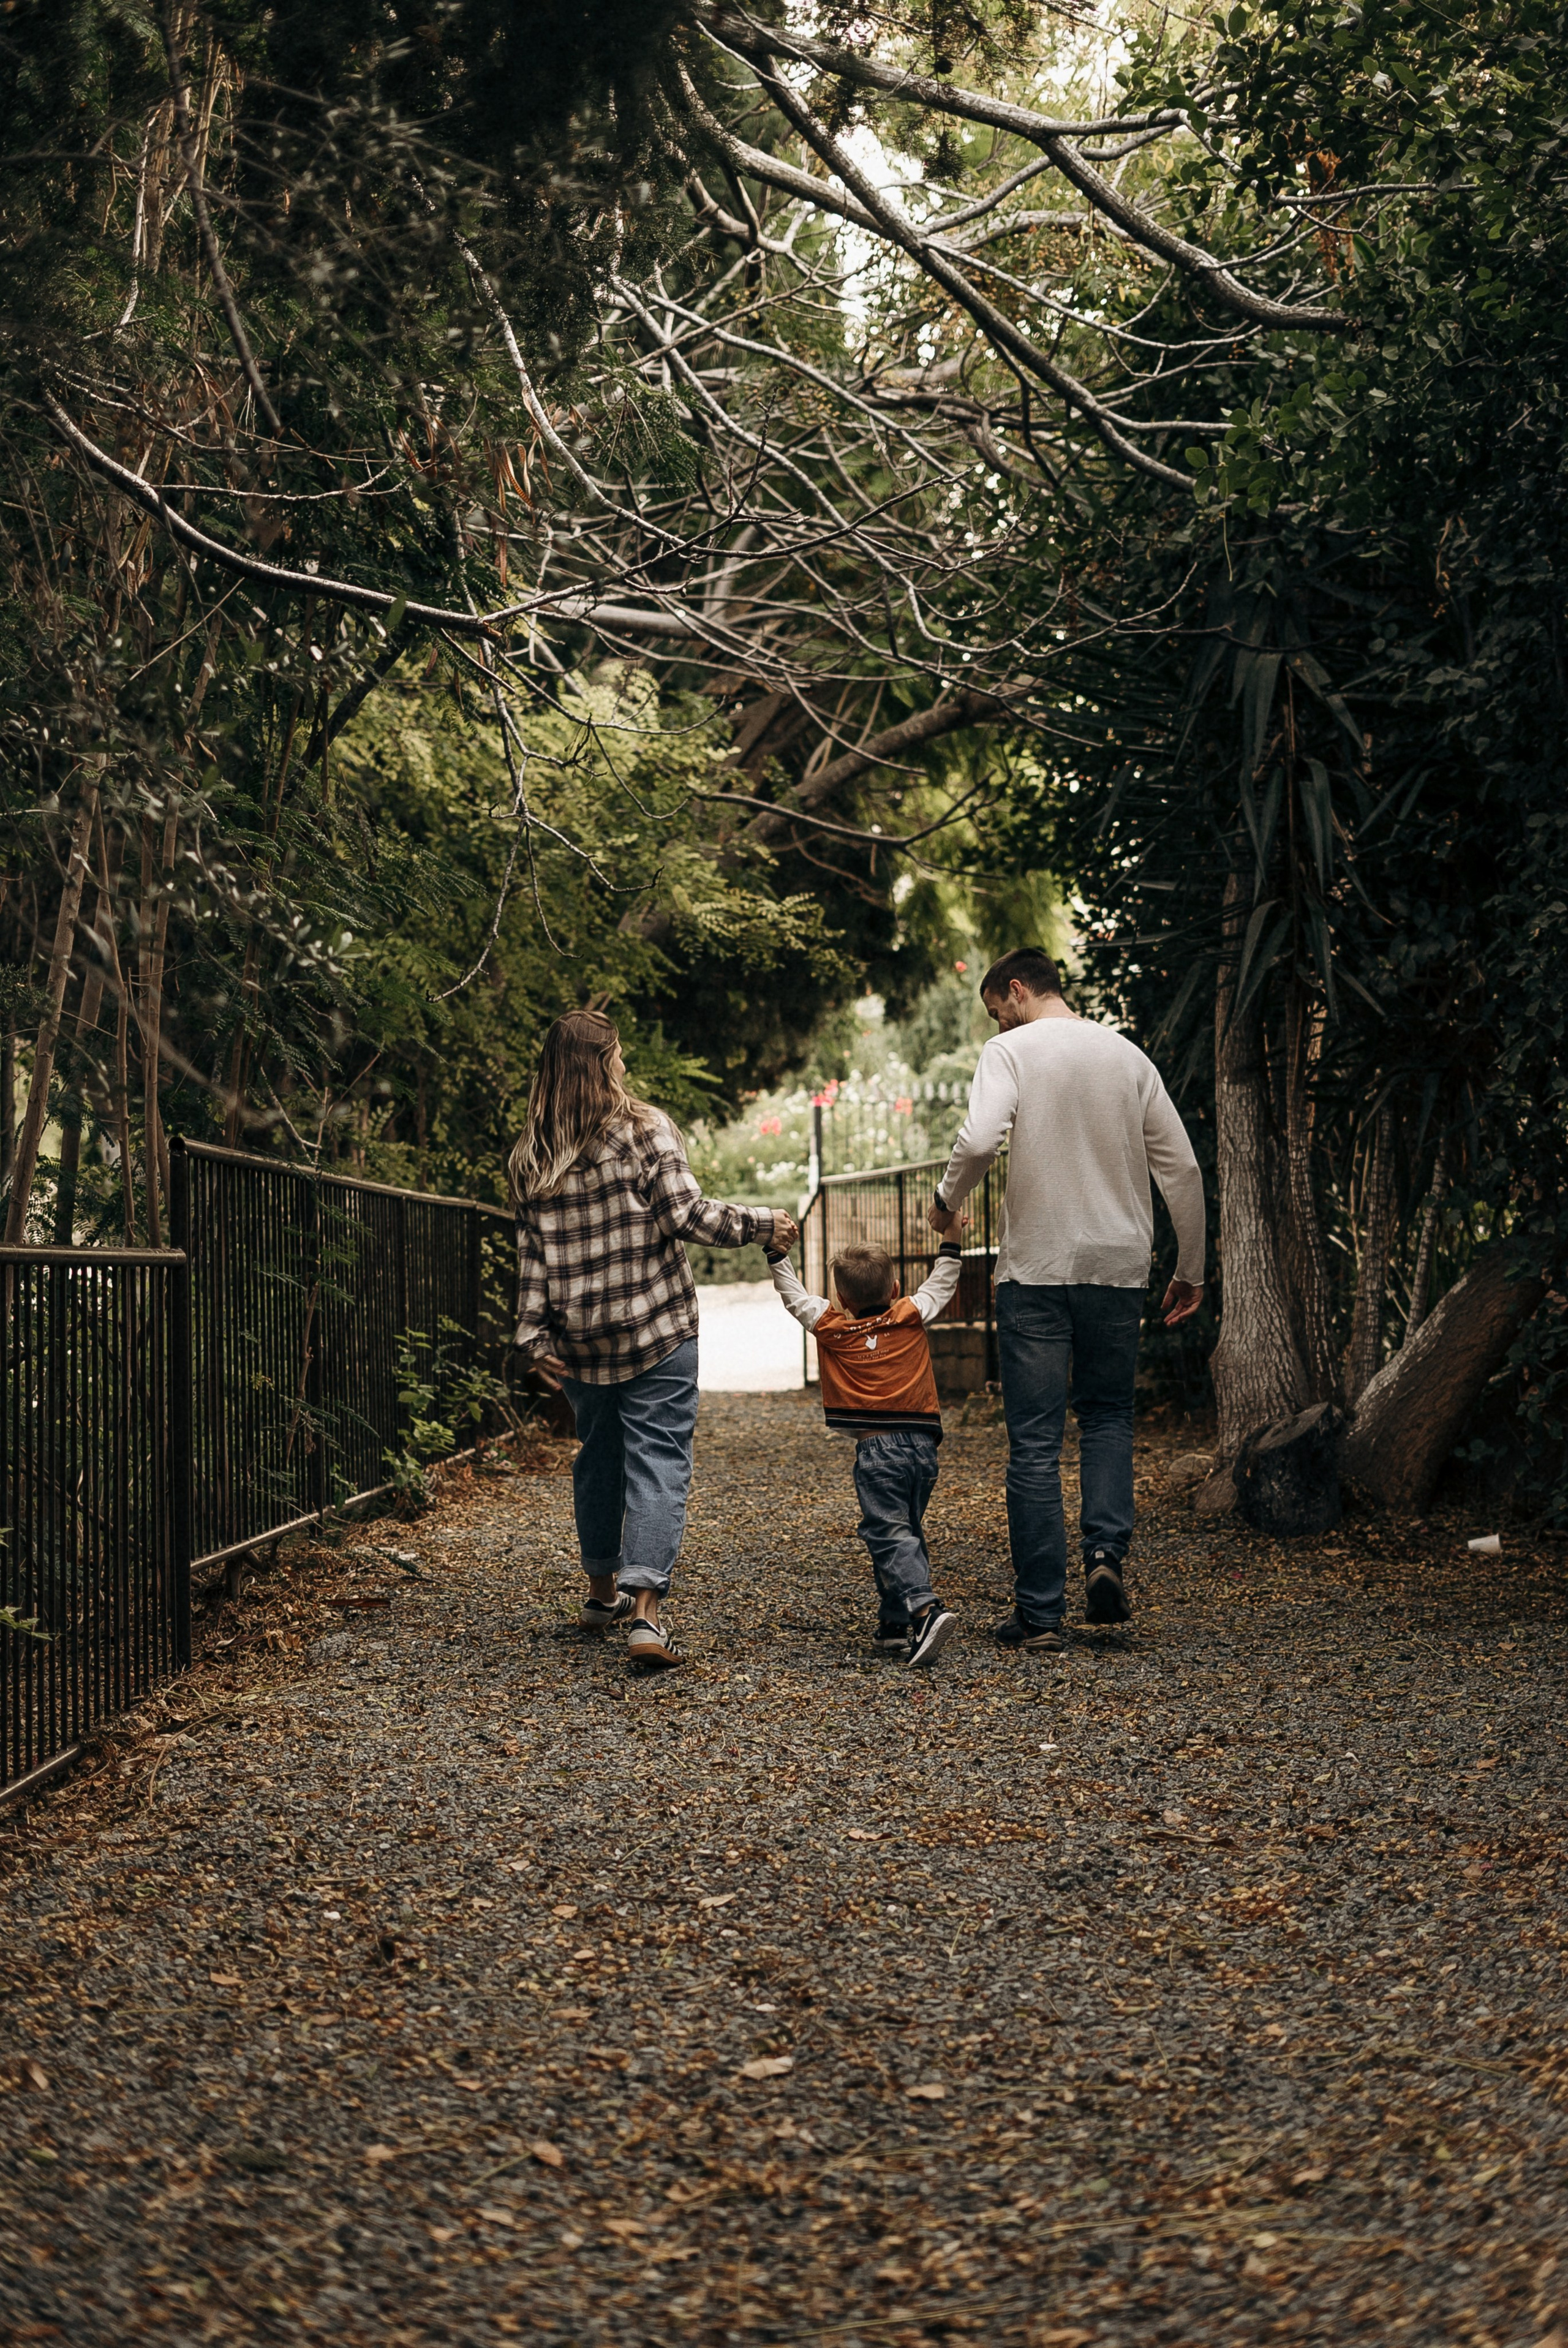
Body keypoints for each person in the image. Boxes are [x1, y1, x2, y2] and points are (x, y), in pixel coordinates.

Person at [930, 946, 1205, 1651]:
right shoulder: (1127, 1056)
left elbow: (982, 1135)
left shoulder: (1011, 1051)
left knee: (1034, 1441)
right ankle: (1105, 1557)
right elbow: (1182, 1167)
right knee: (1109, 1416)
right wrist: (1191, 1268)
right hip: (1117, 1266)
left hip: (1037, 1268)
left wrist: (945, 1200)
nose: (997, 1023)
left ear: (1015, 991)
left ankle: (1041, 1614)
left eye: (996, 1010)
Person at [511, 1010, 796, 1672]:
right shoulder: (643, 1127)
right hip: (657, 1330)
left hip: (582, 1341)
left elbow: (531, 1254)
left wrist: (532, 1333)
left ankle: (599, 1594)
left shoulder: (533, 1150)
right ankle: (644, 1616)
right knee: (658, 1461)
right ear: (610, 1059)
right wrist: (762, 1224)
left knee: (599, 1457)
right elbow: (686, 1214)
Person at [766, 1225, 967, 1667]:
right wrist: (950, 1239)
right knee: (904, 1531)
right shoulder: (910, 1312)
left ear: (842, 1301)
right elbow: (943, 1280)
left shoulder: (833, 1325)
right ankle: (894, 1622)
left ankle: (924, 1609)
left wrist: (776, 1254)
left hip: (879, 1453)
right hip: (923, 1448)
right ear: (895, 1288)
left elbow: (795, 1297)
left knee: (888, 1532)